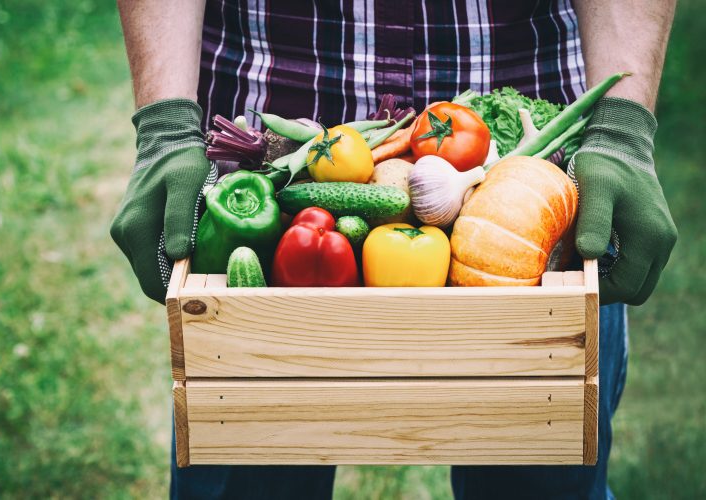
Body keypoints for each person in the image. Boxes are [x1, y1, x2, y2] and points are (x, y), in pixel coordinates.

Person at [110, 1, 678, 498]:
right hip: (271, 157)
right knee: (244, 471)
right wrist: (165, 130)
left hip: (534, 188)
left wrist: (622, 134)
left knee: (544, 467)